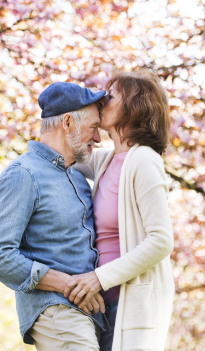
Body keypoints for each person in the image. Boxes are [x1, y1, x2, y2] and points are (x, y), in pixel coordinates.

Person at [0, 81, 109, 351]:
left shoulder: (76, 175)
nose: (98, 138)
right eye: (94, 127)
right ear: (67, 123)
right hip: (57, 313)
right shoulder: (23, 173)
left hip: (87, 316)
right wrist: (68, 285)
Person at [66, 70, 175, 351]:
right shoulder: (107, 160)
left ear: (134, 106)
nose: (102, 101)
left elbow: (161, 240)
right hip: (101, 305)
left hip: (129, 307)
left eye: (110, 95)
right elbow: (64, 152)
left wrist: (98, 278)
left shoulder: (144, 161)